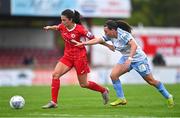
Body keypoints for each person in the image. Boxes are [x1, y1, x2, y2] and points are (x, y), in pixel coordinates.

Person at [74, 20, 174, 108]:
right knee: (113, 75)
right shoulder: (111, 36)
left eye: (106, 31)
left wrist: (130, 59)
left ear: (113, 30)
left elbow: (134, 46)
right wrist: (84, 43)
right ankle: (121, 99)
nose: (105, 33)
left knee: (151, 81)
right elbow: (98, 40)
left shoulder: (123, 35)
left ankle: (168, 96)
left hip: (138, 59)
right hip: (126, 58)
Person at [41, 9, 111, 109]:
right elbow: (57, 27)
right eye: (61, 20)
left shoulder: (80, 29)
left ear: (71, 20)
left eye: (64, 20)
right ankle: (54, 102)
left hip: (80, 58)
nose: (62, 22)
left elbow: (95, 39)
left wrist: (108, 45)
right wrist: (49, 27)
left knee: (83, 84)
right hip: (67, 57)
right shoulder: (62, 26)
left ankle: (104, 90)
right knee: (55, 75)